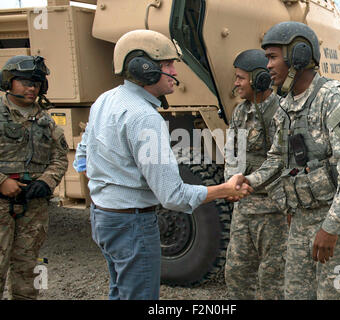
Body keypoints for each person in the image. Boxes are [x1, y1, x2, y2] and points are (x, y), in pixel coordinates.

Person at [73, 29, 252, 300]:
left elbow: (82, 155)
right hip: (132, 225)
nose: (175, 73)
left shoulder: (105, 100)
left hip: (104, 218)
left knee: (120, 292)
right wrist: (224, 190)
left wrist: (108, 180)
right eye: (168, 64)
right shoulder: (145, 117)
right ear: (144, 69)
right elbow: (173, 197)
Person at [244, 21, 340, 299]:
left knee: (337, 295)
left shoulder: (332, 99)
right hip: (301, 224)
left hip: (338, 228)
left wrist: (331, 228)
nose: (267, 66)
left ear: (299, 55)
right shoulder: (287, 105)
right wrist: (246, 181)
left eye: (272, 57)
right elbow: (277, 159)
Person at [0, 55, 69, 299]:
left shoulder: (45, 121)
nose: (32, 88)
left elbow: (60, 158)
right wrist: (3, 181)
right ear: (9, 82)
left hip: (33, 206)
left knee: (27, 268)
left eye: (37, 83)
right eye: (26, 82)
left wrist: (45, 182)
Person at [224, 49, 288, 300]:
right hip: (244, 208)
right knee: (237, 274)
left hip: (274, 212)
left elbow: (282, 162)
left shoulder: (282, 112)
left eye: (240, 78)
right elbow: (233, 154)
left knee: (274, 279)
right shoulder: (240, 112)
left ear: (259, 79)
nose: (236, 83)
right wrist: (231, 184)